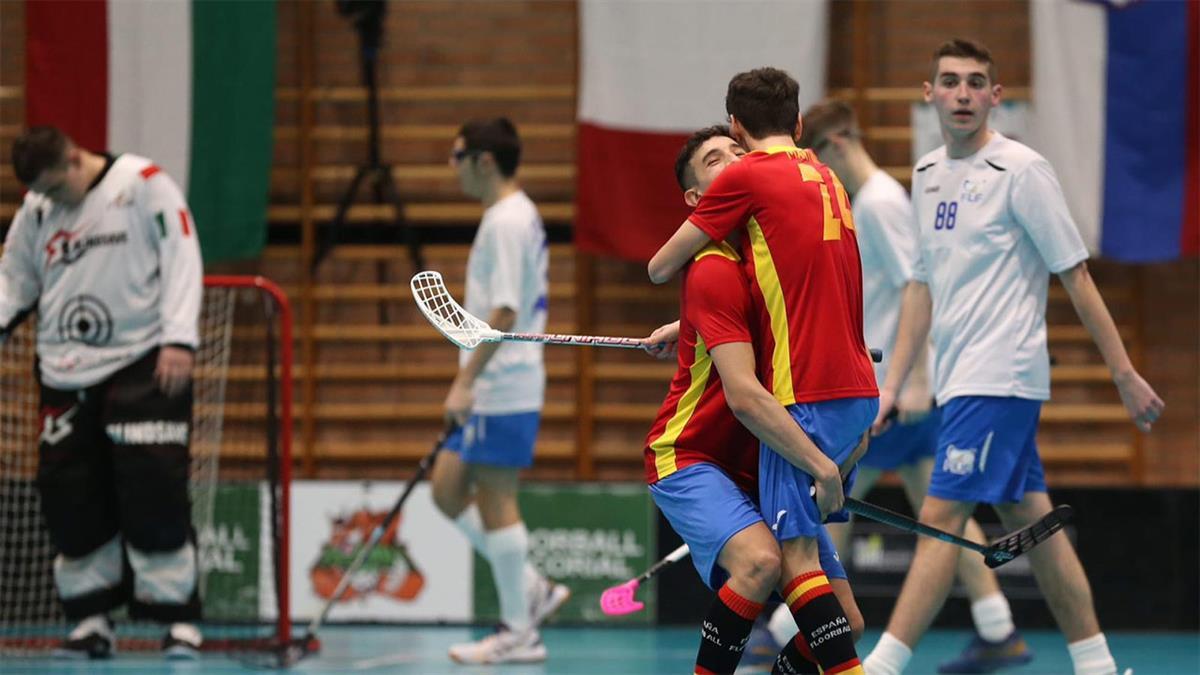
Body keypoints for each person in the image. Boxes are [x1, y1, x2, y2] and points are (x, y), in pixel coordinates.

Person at [861, 39, 1164, 675]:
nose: (963, 93)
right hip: (955, 378)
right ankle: (1099, 665)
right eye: (950, 82)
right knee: (1035, 520)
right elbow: (920, 286)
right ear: (931, 94)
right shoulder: (924, 175)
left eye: (976, 82)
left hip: (1002, 375)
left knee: (942, 517)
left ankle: (881, 666)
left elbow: (1075, 276)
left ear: (995, 96)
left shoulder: (1023, 171)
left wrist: (1124, 374)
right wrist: (891, 387)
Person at [781, 99, 1030, 673]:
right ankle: (999, 629)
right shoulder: (868, 202)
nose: (815, 172)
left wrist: (912, 384)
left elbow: (924, 290)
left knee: (833, 501)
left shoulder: (879, 205)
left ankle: (788, 626)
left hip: (896, 390)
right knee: (928, 514)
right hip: (890, 387)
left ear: (837, 144)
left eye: (815, 158)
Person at [649, 68, 880, 674]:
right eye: (715, 162)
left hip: (762, 449)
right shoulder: (717, 269)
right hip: (696, 454)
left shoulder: (759, 260)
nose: (733, 163)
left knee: (846, 619)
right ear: (701, 201)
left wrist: (688, 326)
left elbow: (767, 319)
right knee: (764, 562)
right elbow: (746, 391)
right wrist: (822, 461)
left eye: (734, 151)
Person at [0, 126, 204, 659]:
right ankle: (89, 620)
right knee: (71, 498)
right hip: (64, 374)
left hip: (144, 364)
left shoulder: (144, 185)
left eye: (53, 187)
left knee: (154, 488)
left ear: (73, 158)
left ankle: (177, 620)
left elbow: (182, 254)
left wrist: (180, 336)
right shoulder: (39, 207)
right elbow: (15, 278)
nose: (48, 200)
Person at [428, 117, 569, 665]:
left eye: (456, 153)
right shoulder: (509, 216)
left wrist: (465, 382)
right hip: (494, 380)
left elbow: (505, 309)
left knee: (495, 499)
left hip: (503, 381)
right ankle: (531, 586)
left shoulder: (507, 221)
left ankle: (519, 631)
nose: (451, 164)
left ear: (484, 160)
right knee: (445, 489)